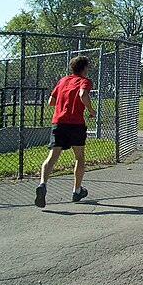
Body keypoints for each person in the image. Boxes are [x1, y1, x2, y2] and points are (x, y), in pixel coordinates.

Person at [34, 55, 97, 208]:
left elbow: (51, 101)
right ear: (84, 69)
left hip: (58, 122)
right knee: (79, 157)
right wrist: (90, 109)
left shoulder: (62, 81)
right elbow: (83, 94)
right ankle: (76, 190)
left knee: (52, 156)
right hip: (75, 123)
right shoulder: (84, 81)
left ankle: (43, 184)